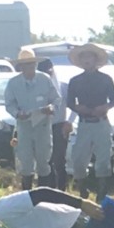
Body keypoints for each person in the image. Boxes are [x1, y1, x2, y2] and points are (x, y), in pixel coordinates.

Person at [66, 43, 114, 199]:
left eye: (89, 57)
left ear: (96, 60)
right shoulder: (75, 81)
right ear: (80, 61)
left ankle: (101, 193)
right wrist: (79, 109)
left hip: (101, 122)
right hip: (84, 123)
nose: (86, 60)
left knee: (103, 159)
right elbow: (70, 102)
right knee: (78, 159)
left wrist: (105, 107)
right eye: (83, 57)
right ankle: (83, 190)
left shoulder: (106, 79)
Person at [5, 49, 60, 190]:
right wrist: (17, 113)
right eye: (26, 65)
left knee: (44, 160)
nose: (30, 67)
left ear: (35, 64)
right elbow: (9, 104)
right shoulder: (13, 83)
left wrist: (51, 108)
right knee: (26, 161)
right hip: (24, 125)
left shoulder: (45, 79)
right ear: (21, 67)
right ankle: (27, 194)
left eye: (32, 64)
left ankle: (44, 194)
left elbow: (56, 99)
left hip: (43, 125)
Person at [37, 59, 71, 191]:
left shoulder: (63, 86)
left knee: (59, 161)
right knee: (45, 160)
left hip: (59, 126)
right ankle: (47, 190)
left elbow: (72, 106)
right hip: (42, 126)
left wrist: (69, 122)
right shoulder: (37, 89)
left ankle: (62, 190)